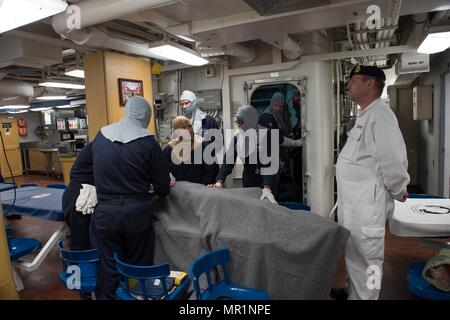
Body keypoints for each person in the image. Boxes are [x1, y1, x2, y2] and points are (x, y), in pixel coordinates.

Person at [331, 65, 410, 300]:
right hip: (354, 207)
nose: (348, 86)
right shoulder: (365, 115)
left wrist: (398, 189)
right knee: (354, 255)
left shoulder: (381, 116)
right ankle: (353, 291)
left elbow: (393, 159)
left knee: (369, 260)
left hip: (367, 210)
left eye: (354, 80)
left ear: (370, 84)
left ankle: (367, 297)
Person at [90, 96, 171, 299]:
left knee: (109, 270)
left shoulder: (101, 136)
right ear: (145, 116)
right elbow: (163, 187)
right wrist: (150, 186)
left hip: (104, 213)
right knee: (137, 270)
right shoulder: (148, 142)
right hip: (136, 214)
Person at [208, 105, 277, 204]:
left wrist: (267, 187)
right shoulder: (237, 137)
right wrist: (219, 180)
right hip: (248, 179)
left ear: (251, 120)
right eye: (237, 122)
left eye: (241, 122)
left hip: (267, 180)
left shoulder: (266, 135)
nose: (239, 125)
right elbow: (229, 159)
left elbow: (270, 164)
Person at [163, 116, 218, 185]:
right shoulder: (170, 149)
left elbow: (212, 171)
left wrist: (204, 187)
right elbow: (161, 169)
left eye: (189, 126)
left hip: (202, 189)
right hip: (181, 189)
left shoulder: (203, 145)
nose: (188, 130)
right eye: (183, 128)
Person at [62, 142, 94, 251]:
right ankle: (82, 267)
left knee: (84, 240)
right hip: (82, 198)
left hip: (78, 194)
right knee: (82, 244)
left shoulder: (96, 145)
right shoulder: (101, 148)